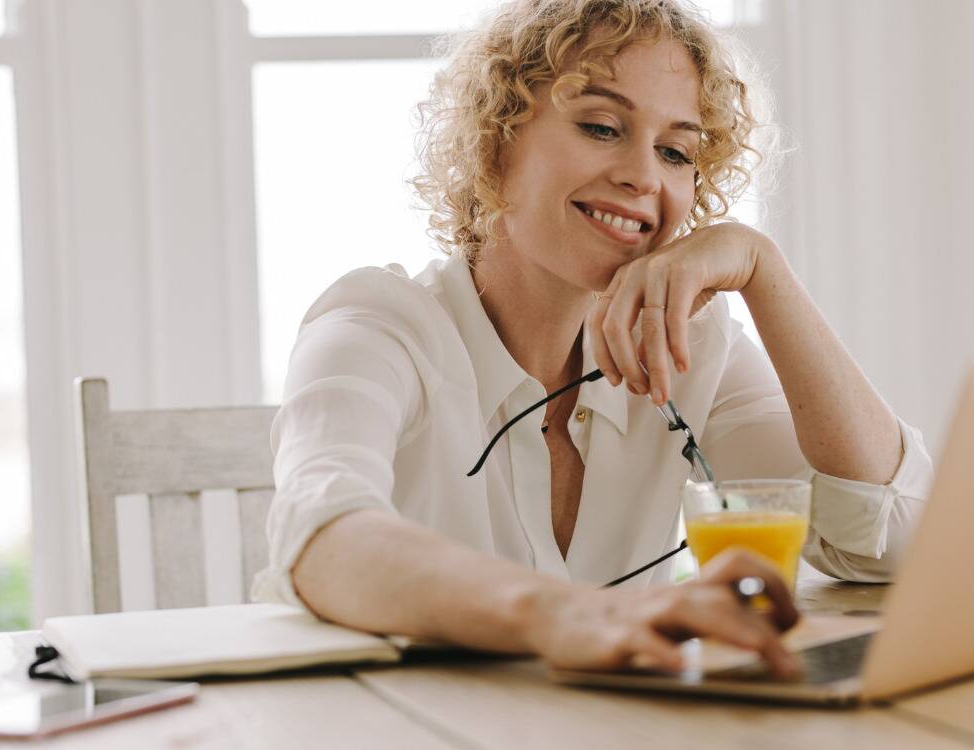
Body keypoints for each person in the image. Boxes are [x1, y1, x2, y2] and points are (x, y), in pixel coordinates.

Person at [252, 0, 933, 677]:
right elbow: (320, 533)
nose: (643, 175)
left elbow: (889, 542)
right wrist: (566, 614)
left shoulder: (691, 345)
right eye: (602, 127)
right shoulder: (377, 326)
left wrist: (762, 270)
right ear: (496, 139)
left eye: (675, 151)